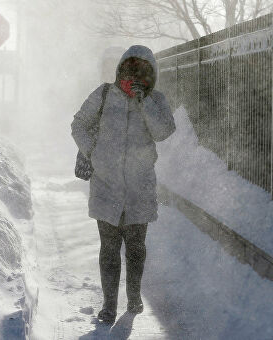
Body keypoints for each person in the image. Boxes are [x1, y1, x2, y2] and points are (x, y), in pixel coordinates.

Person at [71, 45, 176, 324]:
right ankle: (108, 305)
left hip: (139, 187)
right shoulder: (104, 94)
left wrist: (145, 103)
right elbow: (79, 124)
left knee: (136, 246)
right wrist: (93, 151)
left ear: (151, 75)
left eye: (142, 72)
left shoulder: (157, 101)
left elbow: (163, 131)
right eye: (130, 69)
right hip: (106, 185)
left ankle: (133, 296)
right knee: (108, 246)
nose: (135, 76)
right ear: (121, 69)